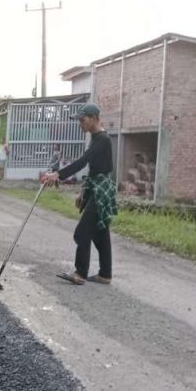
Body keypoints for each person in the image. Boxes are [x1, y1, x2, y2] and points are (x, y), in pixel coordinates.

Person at [44, 103, 117, 286]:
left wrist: (58, 174)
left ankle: (80, 274)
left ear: (94, 118)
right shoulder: (95, 137)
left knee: (82, 232)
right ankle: (105, 274)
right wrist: (83, 192)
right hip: (96, 186)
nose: (80, 124)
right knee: (100, 232)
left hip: (102, 189)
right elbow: (92, 169)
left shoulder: (103, 139)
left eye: (82, 120)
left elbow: (83, 161)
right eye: (79, 121)